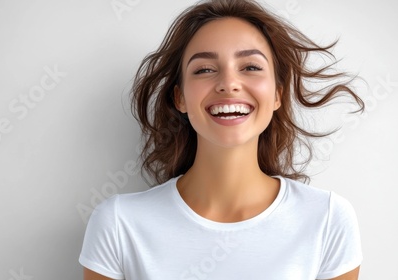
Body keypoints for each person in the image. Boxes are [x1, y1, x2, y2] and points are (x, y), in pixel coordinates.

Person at [80, 0, 364, 279]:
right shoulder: (118, 223)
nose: (228, 83)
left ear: (277, 94)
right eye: (204, 69)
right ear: (180, 97)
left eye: (251, 67)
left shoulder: (327, 219)